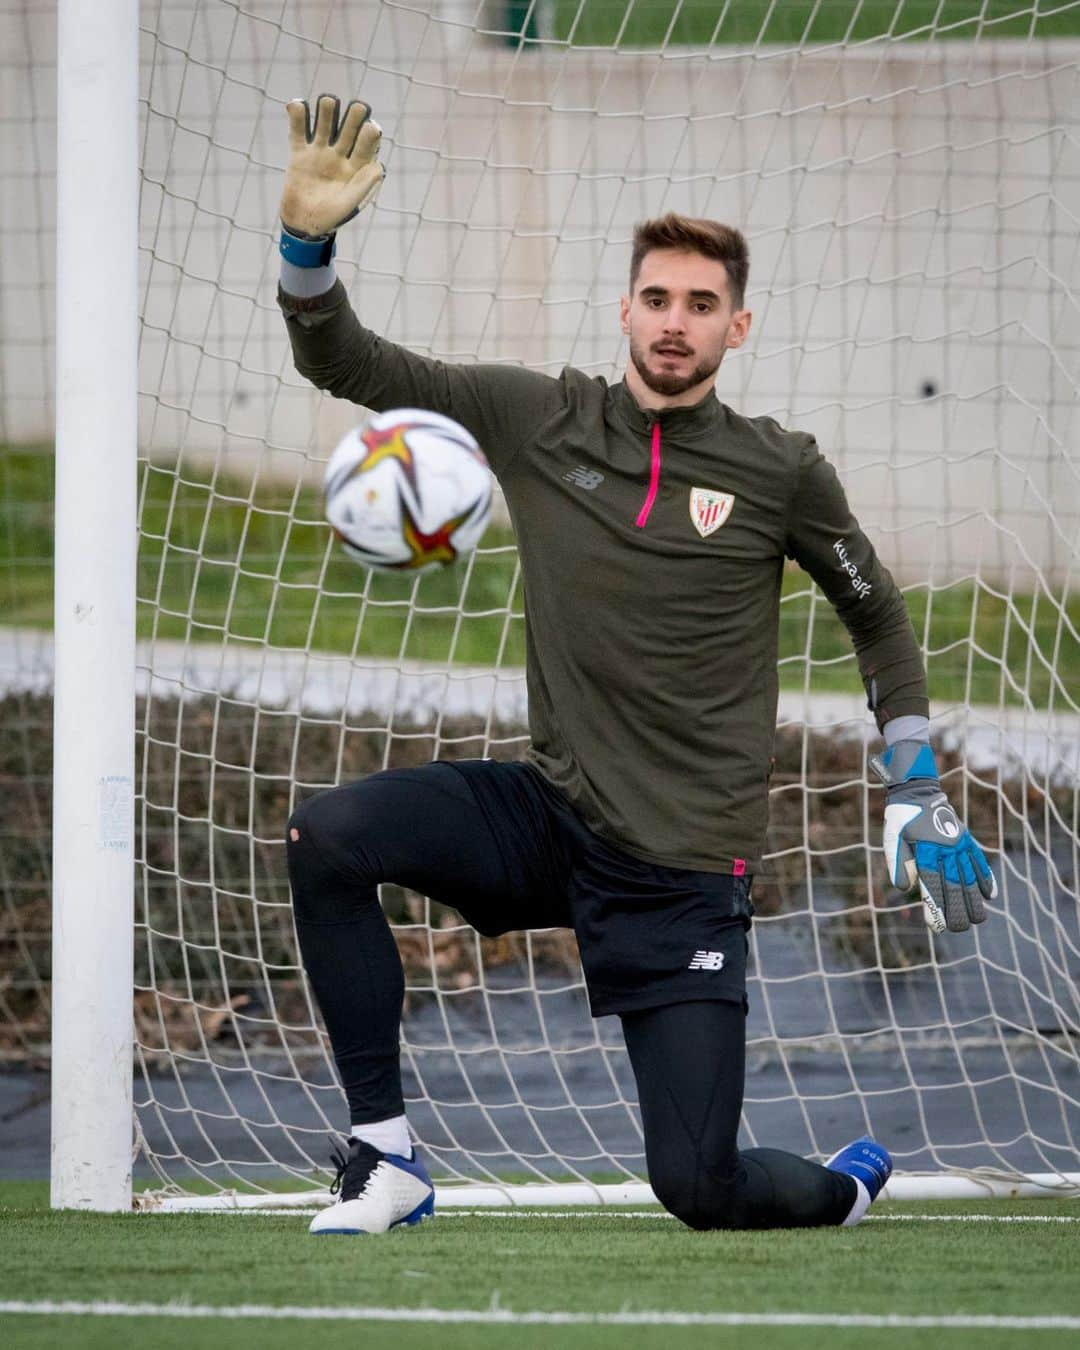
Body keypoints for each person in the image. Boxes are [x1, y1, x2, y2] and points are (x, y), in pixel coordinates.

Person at [277, 95, 997, 1236]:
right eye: (658, 298)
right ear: (625, 308)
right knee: (331, 835)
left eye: (701, 305)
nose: (676, 321)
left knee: (698, 1187)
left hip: (680, 869)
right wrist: (307, 249)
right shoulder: (537, 418)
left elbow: (880, 618)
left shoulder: (780, 470)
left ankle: (848, 1188)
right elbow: (351, 362)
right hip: (548, 813)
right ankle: (384, 1157)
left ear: (737, 328)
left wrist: (915, 781)